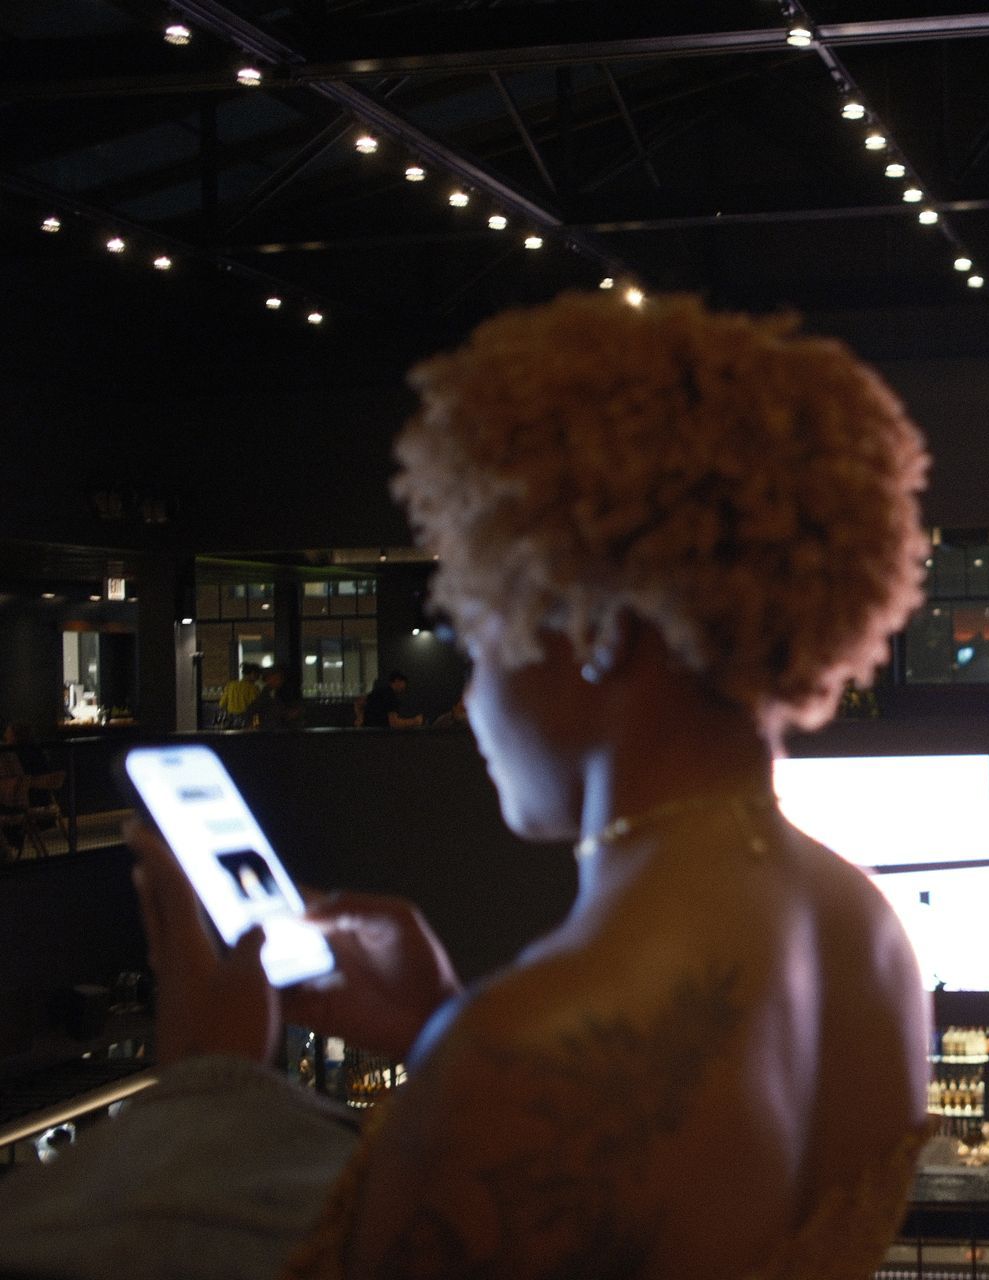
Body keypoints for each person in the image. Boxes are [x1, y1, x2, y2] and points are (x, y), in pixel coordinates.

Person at [0, 293, 934, 1280]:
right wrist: (442, 1027)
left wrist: (214, 1088)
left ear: (593, 630)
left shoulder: (527, 1052)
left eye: (477, 632)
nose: (474, 698)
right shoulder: (862, 926)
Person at [358, 671, 423, 729]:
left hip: (366, 732)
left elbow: (359, 702)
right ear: (397, 680)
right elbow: (394, 723)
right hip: (380, 735)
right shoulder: (391, 696)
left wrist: (360, 718)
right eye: (404, 683)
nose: (404, 687)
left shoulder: (379, 691)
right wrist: (415, 721)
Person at [251, 667, 303, 731]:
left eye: (279, 678)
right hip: (271, 730)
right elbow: (255, 711)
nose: (278, 681)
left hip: (281, 730)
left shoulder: (284, 692)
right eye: (275, 678)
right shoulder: (265, 693)